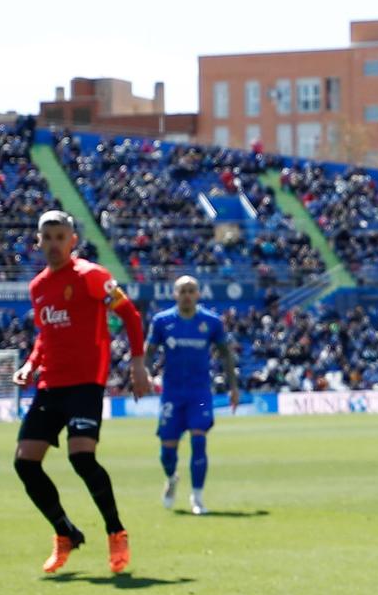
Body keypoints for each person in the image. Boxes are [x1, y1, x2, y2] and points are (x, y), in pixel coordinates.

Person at [13, 211, 150, 574]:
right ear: (38, 241)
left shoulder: (92, 276)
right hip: (50, 385)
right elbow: (45, 335)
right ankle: (65, 533)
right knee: (25, 463)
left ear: (73, 240)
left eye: (61, 236)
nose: (54, 243)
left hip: (86, 382)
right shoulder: (38, 287)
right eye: (48, 237)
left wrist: (138, 364)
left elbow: (131, 316)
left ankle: (116, 532)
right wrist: (31, 365)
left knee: (81, 458)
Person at [148, 274, 240, 514]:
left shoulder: (211, 322)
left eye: (191, 290)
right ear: (175, 294)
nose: (187, 295)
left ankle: (197, 498)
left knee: (199, 441)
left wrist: (233, 386)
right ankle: (171, 478)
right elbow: (149, 351)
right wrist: (145, 374)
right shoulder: (162, 321)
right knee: (168, 452)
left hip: (199, 393)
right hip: (172, 394)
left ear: (198, 294)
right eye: (183, 290)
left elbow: (225, 354)